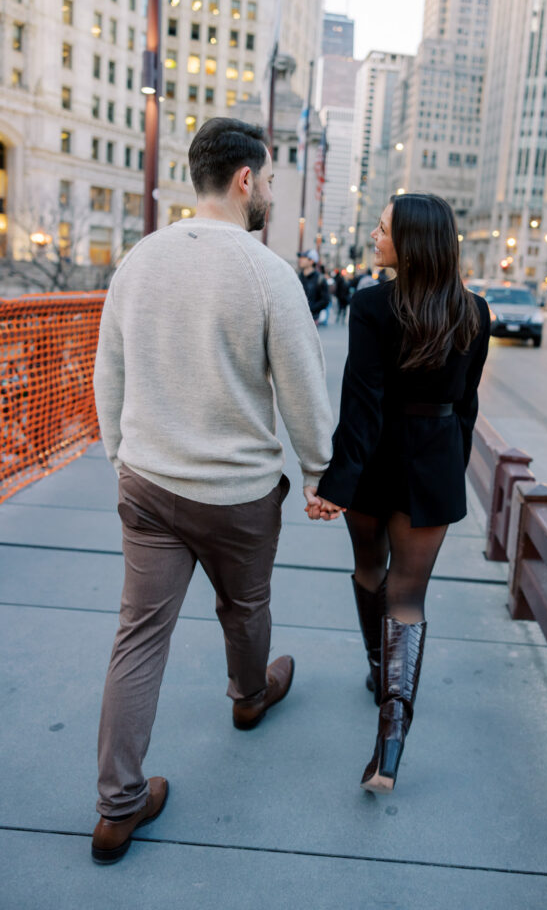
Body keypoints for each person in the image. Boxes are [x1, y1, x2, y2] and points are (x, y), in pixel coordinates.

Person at [91, 117, 336, 864]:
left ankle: (116, 807)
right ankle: (249, 696)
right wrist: (319, 470)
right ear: (243, 180)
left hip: (149, 479)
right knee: (246, 605)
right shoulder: (266, 272)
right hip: (235, 491)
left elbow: (110, 370)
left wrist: (118, 456)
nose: (264, 191)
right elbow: (301, 387)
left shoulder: (139, 259)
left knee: (139, 637)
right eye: (263, 180)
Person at [306, 193, 490, 794]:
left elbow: (361, 406)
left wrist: (337, 483)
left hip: (376, 461)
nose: (374, 236)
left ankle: (377, 666)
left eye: (383, 229)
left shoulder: (370, 305)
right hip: (431, 463)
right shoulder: (475, 313)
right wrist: (447, 475)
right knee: (408, 597)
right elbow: (466, 407)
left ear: (409, 243)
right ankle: (389, 743)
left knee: (368, 568)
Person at [297, 249, 330, 325]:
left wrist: (310, 309)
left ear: (311, 261)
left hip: (312, 320)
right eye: (300, 257)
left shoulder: (320, 279)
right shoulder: (298, 277)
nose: (300, 259)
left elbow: (325, 300)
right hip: (297, 319)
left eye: (303, 257)